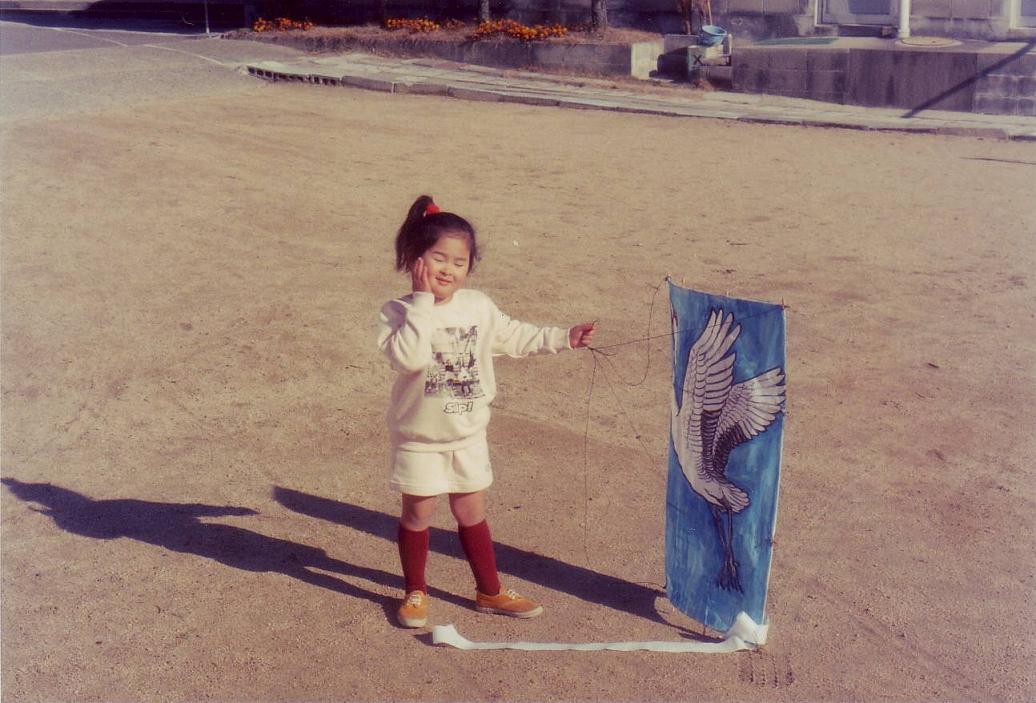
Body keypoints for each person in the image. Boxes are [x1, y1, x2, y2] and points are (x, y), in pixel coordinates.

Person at [377, 195, 595, 628]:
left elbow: (515, 336)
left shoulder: (477, 306)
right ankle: (416, 591)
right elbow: (410, 359)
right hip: (420, 439)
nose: (448, 269)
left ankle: (489, 591)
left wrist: (563, 337)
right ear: (416, 258)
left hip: (468, 436)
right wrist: (421, 302)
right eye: (438, 258)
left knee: (471, 512)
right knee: (418, 514)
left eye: (459, 262)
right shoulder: (397, 312)